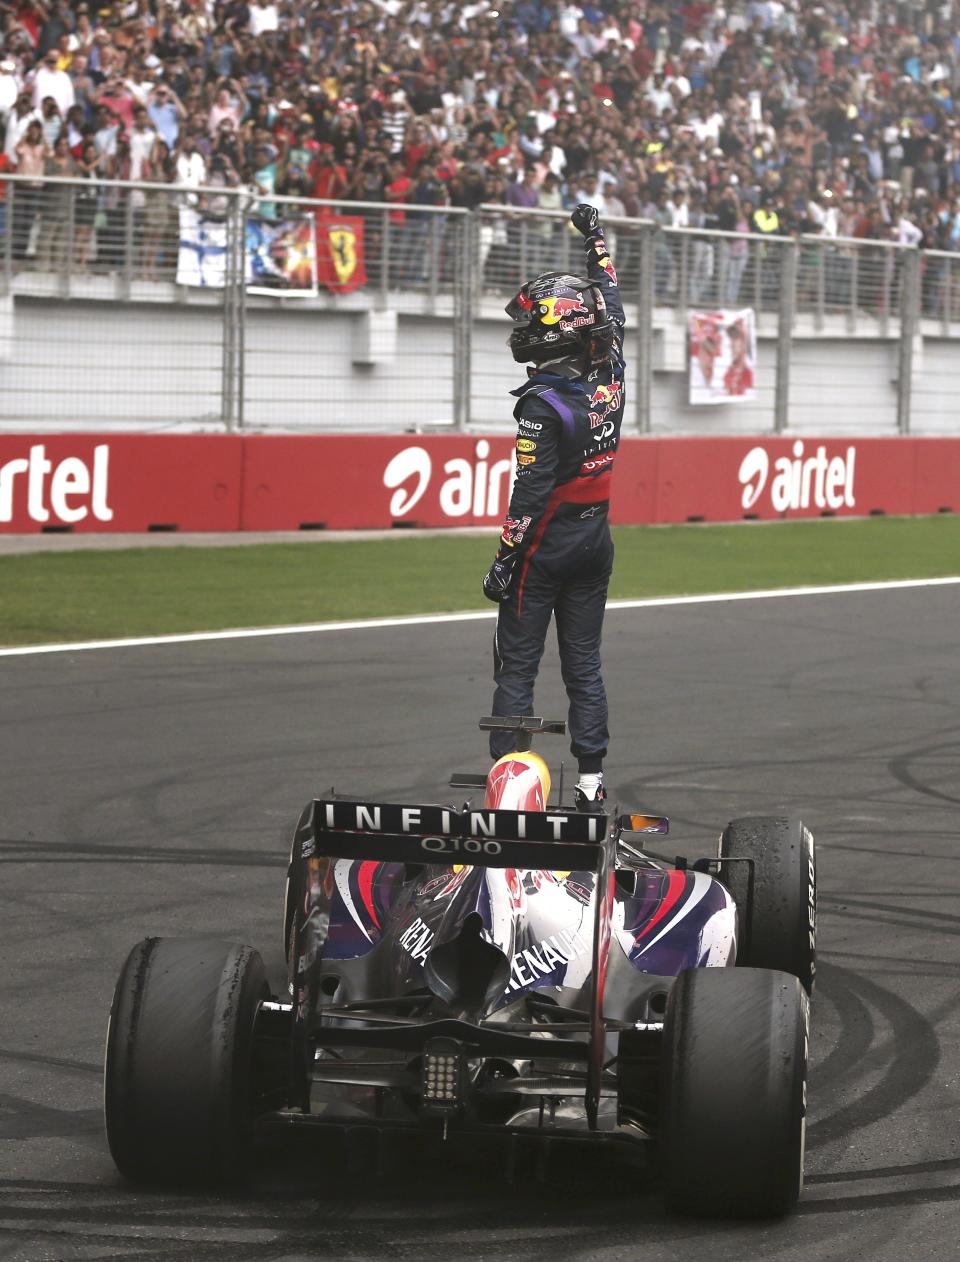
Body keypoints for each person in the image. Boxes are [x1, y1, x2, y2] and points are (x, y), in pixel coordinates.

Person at [482, 203, 625, 813]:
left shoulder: (542, 403)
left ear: (553, 329)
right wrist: (594, 238)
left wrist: (505, 560)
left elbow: (530, 493)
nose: (520, 330)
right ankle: (591, 785)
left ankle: (511, 787)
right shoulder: (611, 366)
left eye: (528, 320)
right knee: (584, 665)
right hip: (597, 542)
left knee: (517, 661)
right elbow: (609, 297)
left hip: (546, 545)